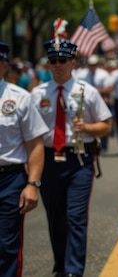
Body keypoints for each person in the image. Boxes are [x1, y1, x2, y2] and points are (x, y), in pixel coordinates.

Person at [30, 34, 112, 277]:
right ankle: (60, 266)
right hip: (47, 159)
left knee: (75, 217)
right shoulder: (37, 93)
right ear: (48, 63)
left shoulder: (88, 91)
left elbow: (106, 125)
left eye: (63, 59)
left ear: (73, 63)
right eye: (53, 59)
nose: (58, 64)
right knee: (56, 218)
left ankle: (73, 271)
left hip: (78, 160)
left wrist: (87, 128)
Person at [0, 42, 47, 277]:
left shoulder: (20, 98)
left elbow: (36, 145)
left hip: (9, 180)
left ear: (4, 66)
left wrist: (32, 184)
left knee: (6, 245)